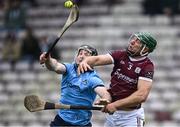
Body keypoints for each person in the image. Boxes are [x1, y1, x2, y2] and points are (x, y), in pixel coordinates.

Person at [78, 32, 157, 127]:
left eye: (138, 42)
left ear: (145, 49)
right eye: (134, 39)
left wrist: (115, 105)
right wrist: (86, 61)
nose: (132, 42)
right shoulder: (121, 55)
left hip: (130, 118)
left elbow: (141, 96)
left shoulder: (147, 66)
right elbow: (97, 59)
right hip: (112, 115)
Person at [39, 44, 111, 127]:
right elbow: (55, 66)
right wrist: (48, 60)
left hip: (81, 124)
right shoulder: (69, 69)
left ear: (93, 60)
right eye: (80, 54)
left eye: (86, 55)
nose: (81, 56)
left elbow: (104, 93)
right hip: (61, 121)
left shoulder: (92, 78)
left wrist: (106, 100)